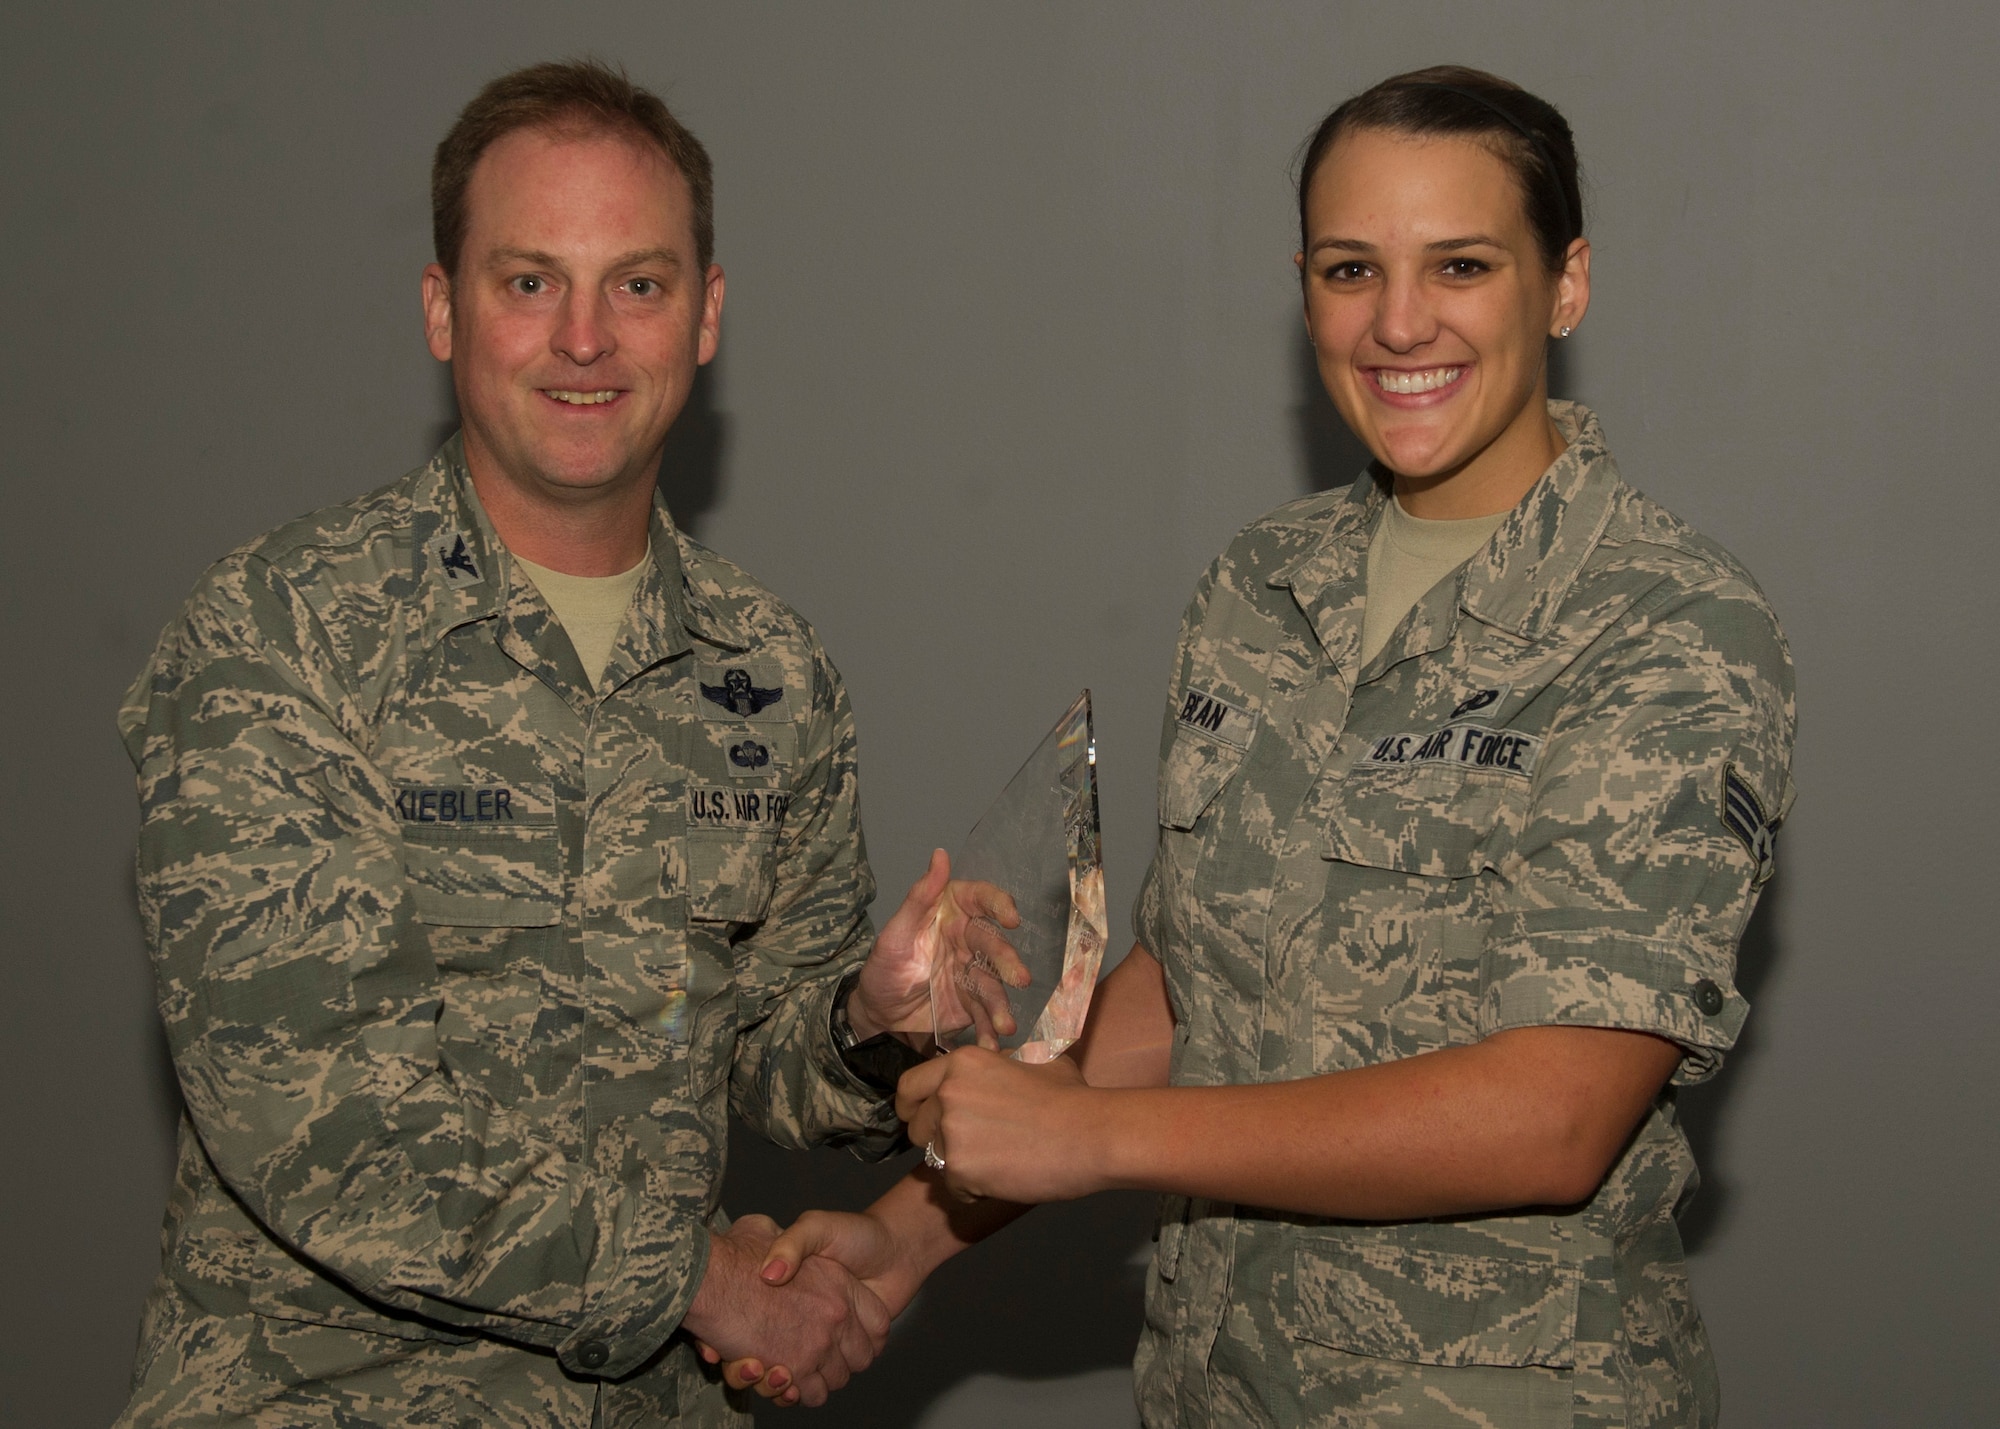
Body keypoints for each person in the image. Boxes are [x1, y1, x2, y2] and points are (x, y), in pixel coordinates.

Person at [732, 66, 1796, 1427]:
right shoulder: (1263, 587)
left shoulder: (1667, 625)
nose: (1398, 321)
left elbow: (1557, 1112)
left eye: (1460, 265)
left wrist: (1092, 1141)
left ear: (1567, 283)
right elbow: (1186, 996)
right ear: (1304, 291)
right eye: (1352, 269)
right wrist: (903, 1235)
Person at [115, 59, 1020, 1427]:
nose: (585, 338)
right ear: (442, 309)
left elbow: (758, 1059)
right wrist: (705, 1284)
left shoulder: (768, 671)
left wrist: (867, 1022)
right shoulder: (283, 634)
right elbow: (319, 1126)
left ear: (706, 316)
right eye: (530, 281)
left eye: (638, 285)